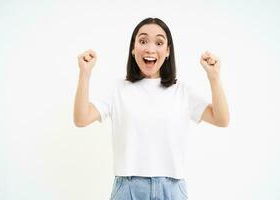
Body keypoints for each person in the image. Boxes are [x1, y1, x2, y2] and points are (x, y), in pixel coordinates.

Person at [74, 17, 229, 200]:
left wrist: (214, 77)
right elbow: (81, 119)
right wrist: (85, 74)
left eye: (159, 42)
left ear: (168, 51)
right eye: (143, 41)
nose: (150, 48)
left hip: (172, 189)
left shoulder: (181, 90)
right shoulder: (118, 89)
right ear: (133, 49)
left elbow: (221, 119)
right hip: (128, 189)